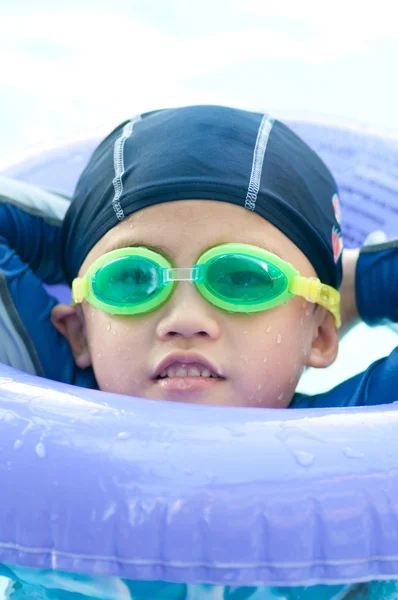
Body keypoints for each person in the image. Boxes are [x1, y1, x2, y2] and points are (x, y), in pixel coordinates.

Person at [1, 104, 397, 410]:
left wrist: (355, 282)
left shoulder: (349, 422)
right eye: (133, 278)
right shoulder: (54, 393)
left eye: (244, 277)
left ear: (321, 335)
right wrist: (83, 233)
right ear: (79, 333)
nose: (185, 322)